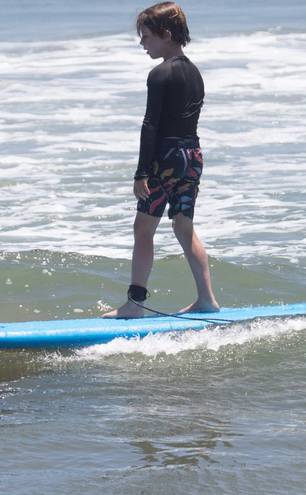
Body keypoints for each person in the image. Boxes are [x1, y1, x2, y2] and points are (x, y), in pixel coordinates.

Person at [103, 2, 220, 319]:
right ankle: (206, 299)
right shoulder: (195, 73)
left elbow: (150, 124)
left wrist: (142, 173)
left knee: (143, 229)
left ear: (165, 34)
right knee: (184, 228)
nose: (142, 43)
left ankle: (134, 305)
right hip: (192, 157)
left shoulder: (159, 74)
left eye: (146, 37)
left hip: (166, 159)